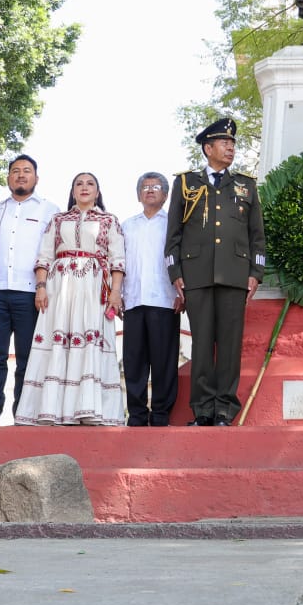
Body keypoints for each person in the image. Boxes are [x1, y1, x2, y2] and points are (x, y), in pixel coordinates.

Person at [166, 118, 266, 426]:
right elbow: (173, 235)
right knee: (201, 343)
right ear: (208, 148)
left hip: (235, 276)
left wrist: (256, 272)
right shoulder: (186, 183)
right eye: (225, 143)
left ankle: (224, 410)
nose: (231, 148)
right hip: (196, 276)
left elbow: (257, 235)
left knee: (229, 345)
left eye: (233, 144)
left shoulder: (246, 185)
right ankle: (203, 410)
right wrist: (176, 273)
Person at [15, 173, 126, 426]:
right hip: (60, 287)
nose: (84, 188)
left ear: (98, 192)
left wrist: (115, 292)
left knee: (89, 342)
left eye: (90, 184)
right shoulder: (58, 220)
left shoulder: (109, 220)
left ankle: (88, 409)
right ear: (72, 191)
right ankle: (49, 410)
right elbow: (44, 256)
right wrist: (41, 287)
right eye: (79, 184)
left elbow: (117, 259)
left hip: (94, 285)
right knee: (57, 342)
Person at [0, 154, 59, 426]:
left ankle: (24, 413)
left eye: (27, 171)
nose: (21, 175)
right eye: (15, 171)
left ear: (36, 177)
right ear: (8, 177)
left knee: (27, 358)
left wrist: (46, 289)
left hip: (31, 294)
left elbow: (54, 253)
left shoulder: (49, 210)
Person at [121, 172, 183, 426]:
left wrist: (182, 293)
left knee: (164, 361)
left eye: (156, 187)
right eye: (145, 187)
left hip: (165, 300)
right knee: (134, 361)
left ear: (166, 195)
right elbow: (120, 263)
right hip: (134, 300)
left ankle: (160, 414)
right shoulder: (126, 226)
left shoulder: (175, 225)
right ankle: (136, 415)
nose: (150, 190)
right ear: (138, 195)